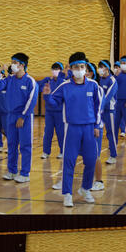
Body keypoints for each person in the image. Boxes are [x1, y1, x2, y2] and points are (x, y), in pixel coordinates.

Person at [42, 52, 102, 207]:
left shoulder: (93, 85)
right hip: (71, 128)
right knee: (69, 161)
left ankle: (85, 189)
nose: (80, 70)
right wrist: (47, 96)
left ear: (86, 68)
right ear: (71, 69)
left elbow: (98, 106)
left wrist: (97, 125)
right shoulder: (65, 86)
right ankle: (67, 194)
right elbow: (54, 102)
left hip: (89, 128)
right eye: (76, 67)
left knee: (91, 160)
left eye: (82, 67)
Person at [0, 53, 38, 183]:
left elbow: (32, 101)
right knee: (11, 144)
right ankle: (12, 171)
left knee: (25, 145)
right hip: (10, 116)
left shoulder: (30, 81)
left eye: (15, 62)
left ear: (22, 65)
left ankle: (25, 173)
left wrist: (23, 116)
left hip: (24, 117)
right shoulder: (10, 79)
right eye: (12, 62)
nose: (12, 65)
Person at [37, 62, 67, 159]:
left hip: (60, 112)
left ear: (61, 70)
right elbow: (37, 87)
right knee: (48, 132)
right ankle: (46, 152)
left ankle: (63, 151)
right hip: (49, 112)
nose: (55, 71)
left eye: (57, 69)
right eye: (53, 69)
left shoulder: (64, 82)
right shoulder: (48, 81)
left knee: (60, 132)